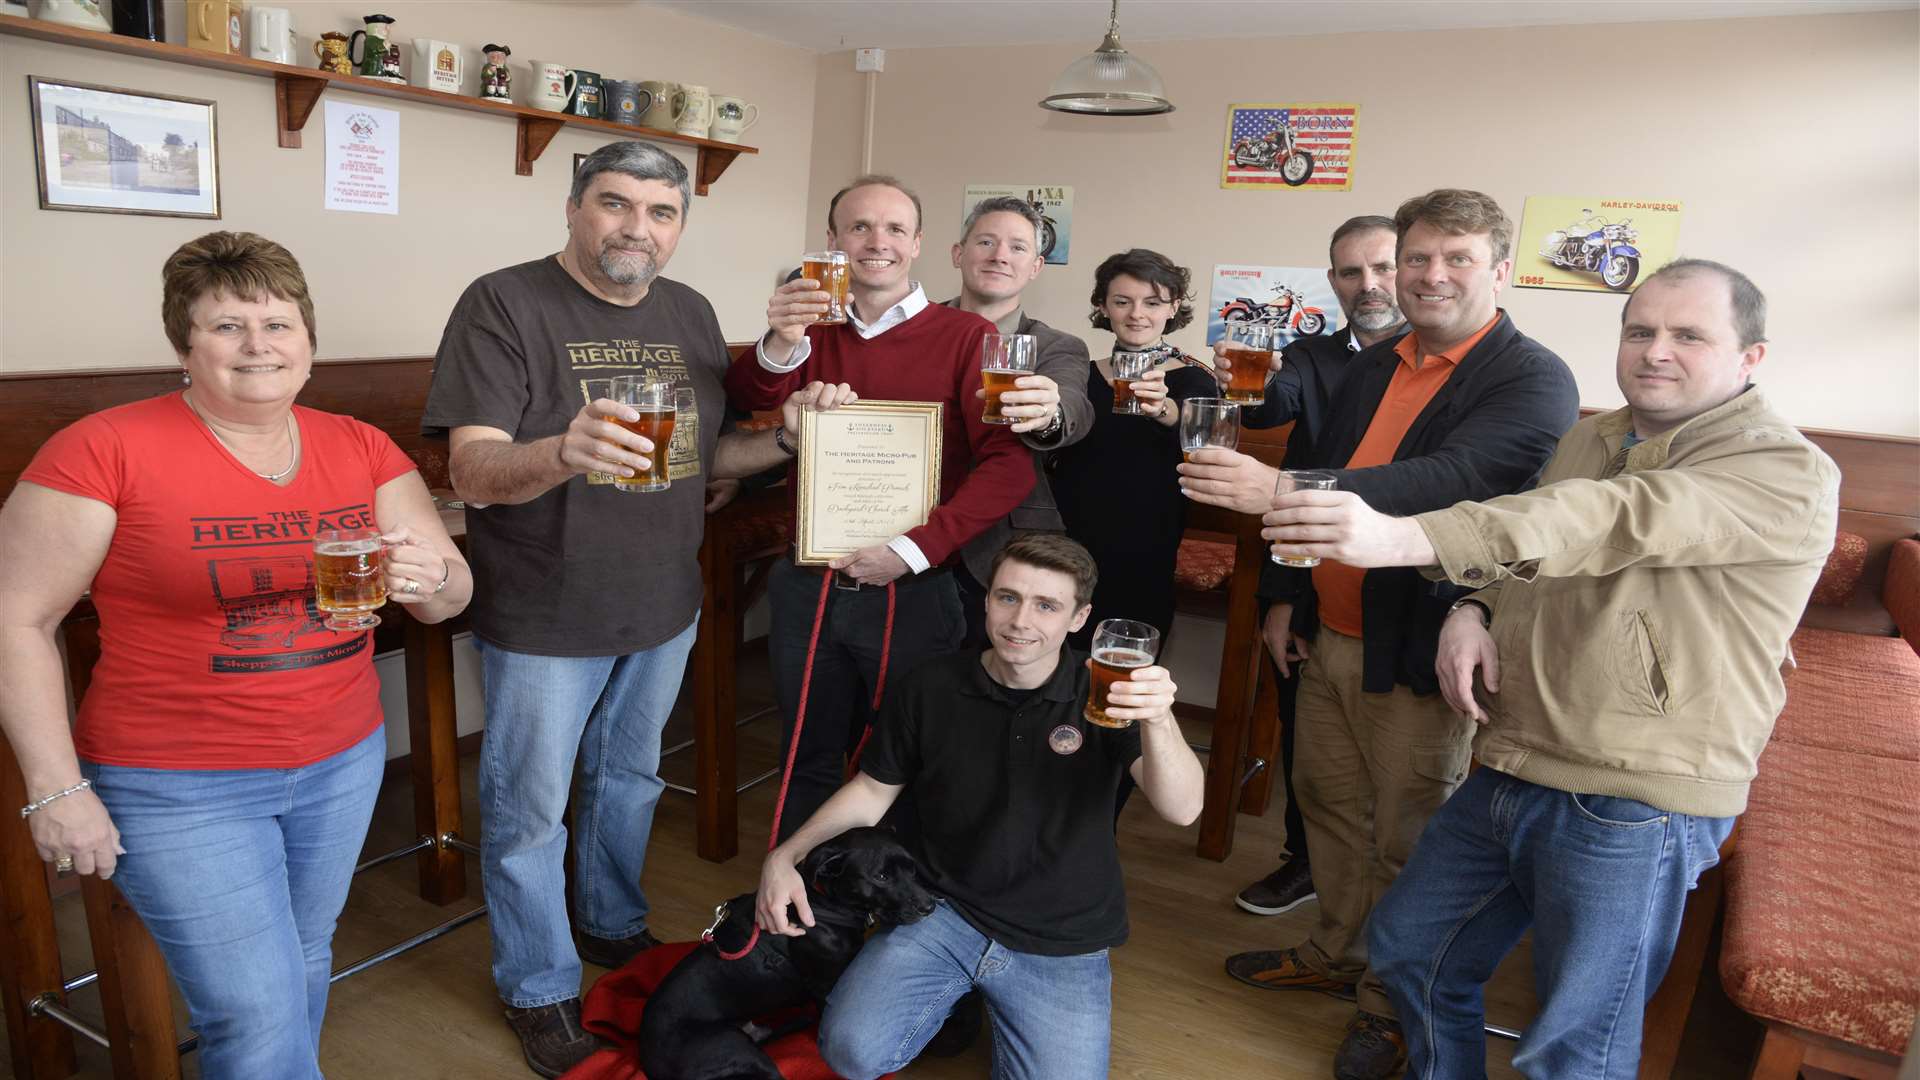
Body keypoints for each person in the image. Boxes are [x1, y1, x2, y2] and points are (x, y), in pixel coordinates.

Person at [1262, 259, 1839, 1080]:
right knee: (1411, 950)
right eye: (1640, 331)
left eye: (1689, 336)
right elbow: (1533, 544)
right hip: (1516, 752)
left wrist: (1401, 538)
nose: (1655, 352)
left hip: (1635, 790)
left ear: (1750, 357)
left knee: (1574, 1041)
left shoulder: (1784, 469)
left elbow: (1616, 519)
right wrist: (1473, 609)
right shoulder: (1594, 436)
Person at [0, 231, 470, 1079]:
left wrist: (429, 574)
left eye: (278, 323)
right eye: (228, 325)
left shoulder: (359, 446)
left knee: (303, 959)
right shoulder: (101, 448)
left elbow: (448, 598)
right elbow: (15, 619)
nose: (259, 344)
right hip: (175, 780)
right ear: (185, 344)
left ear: (310, 342)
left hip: (341, 757)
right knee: (253, 1006)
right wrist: (54, 790)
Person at [1186, 189, 1581, 1080]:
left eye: (1456, 259)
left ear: (1500, 270)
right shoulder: (1374, 363)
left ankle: (1392, 1005)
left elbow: (1449, 480)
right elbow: (1323, 458)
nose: (1429, 275)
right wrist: (1288, 592)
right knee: (1325, 805)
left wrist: (1280, 494)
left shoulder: (1534, 377)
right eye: (1417, 258)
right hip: (1330, 625)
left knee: (1410, 835)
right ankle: (1336, 954)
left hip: (1422, 643)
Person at [421, 140, 793, 1078]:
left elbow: (703, 462)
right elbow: (471, 470)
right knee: (527, 813)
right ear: (575, 208)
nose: (637, 227)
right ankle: (537, 984)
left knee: (629, 781)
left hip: (664, 598)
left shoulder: (692, 311)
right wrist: (566, 449)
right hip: (548, 609)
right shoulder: (503, 301)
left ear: (679, 226)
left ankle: (610, 922)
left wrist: (785, 438)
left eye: (660, 212)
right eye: (616, 204)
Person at [754, 533, 1205, 1080]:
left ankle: (979, 1002)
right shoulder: (931, 684)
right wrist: (785, 854)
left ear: (1079, 618)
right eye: (1007, 597)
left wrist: (1158, 719)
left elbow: (1182, 809)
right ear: (986, 599)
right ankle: (961, 997)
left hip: (1061, 936)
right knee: (852, 1051)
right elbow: (872, 791)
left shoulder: (1104, 693)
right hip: (943, 910)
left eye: (1046, 605)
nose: (1020, 620)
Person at [724, 174, 1035, 842]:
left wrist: (912, 550)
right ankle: (794, 907)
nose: (877, 241)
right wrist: (782, 337)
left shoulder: (968, 334)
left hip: (912, 584)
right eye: (859, 227)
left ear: (921, 245)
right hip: (809, 578)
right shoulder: (809, 328)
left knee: (901, 755)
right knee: (803, 752)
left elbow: (1010, 463)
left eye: (895, 228)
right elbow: (747, 392)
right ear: (833, 241)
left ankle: (889, 905)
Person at [1196, 214, 1409, 920]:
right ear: (1333, 282)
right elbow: (1263, 416)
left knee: (1404, 759)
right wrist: (1242, 382)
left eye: (1382, 267)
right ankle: (1307, 863)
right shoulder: (1310, 357)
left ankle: (1392, 890)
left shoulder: (1458, 366)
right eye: (1351, 272)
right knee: (1308, 734)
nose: (1368, 284)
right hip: (1312, 571)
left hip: (1415, 582)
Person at [944, 195, 1095, 645]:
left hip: (1001, 549)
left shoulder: (1056, 346)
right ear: (958, 253)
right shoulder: (912, 329)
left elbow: (1072, 408)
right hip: (900, 530)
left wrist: (1047, 414)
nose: (999, 256)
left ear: (1035, 266)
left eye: (1017, 247)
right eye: (986, 241)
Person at [1050, 248, 1216, 652]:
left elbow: (1204, 439)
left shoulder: (1193, 377)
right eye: (1122, 301)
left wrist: (1162, 409)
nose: (1136, 314)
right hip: (1069, 535)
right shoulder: (1082, 373)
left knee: (1127, 661)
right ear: (1103, 306)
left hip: (1147, 540)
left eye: (1153, 303)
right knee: (1059, 650)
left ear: (1173, 307)